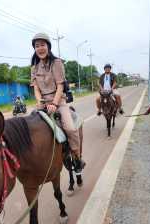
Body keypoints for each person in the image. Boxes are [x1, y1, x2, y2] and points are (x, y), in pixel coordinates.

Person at [30, 32, 85, 172]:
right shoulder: (34, 68)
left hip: (58, 102)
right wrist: (39, 101)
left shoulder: (57, 63)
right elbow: (36, 88)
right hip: (43, 103)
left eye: (43, 45)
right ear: (34, 49)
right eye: (37, 46)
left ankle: (77, 158)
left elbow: (60, 85)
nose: (40, 48)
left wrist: (54, 104)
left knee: (71, 129)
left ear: (48, 46)